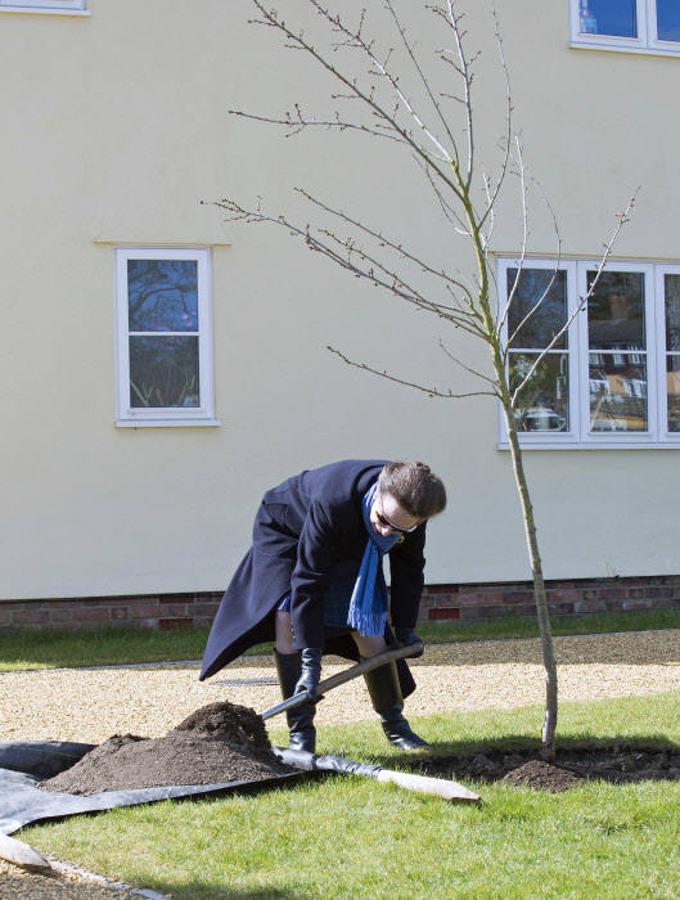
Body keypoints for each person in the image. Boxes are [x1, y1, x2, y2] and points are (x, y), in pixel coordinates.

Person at [199, 459, 446, 753]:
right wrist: (310, 664)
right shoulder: (334, 501)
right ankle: (301, 734)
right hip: (286, 530)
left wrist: (406, 629)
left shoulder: (413, 508)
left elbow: (410, 568)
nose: (385, 533)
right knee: (286, 614)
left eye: (398, 530)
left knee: (366, 622)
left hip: (345, 535)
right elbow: (309, 580)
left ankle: (395, 725)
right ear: (378, 493)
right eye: (382, 520)